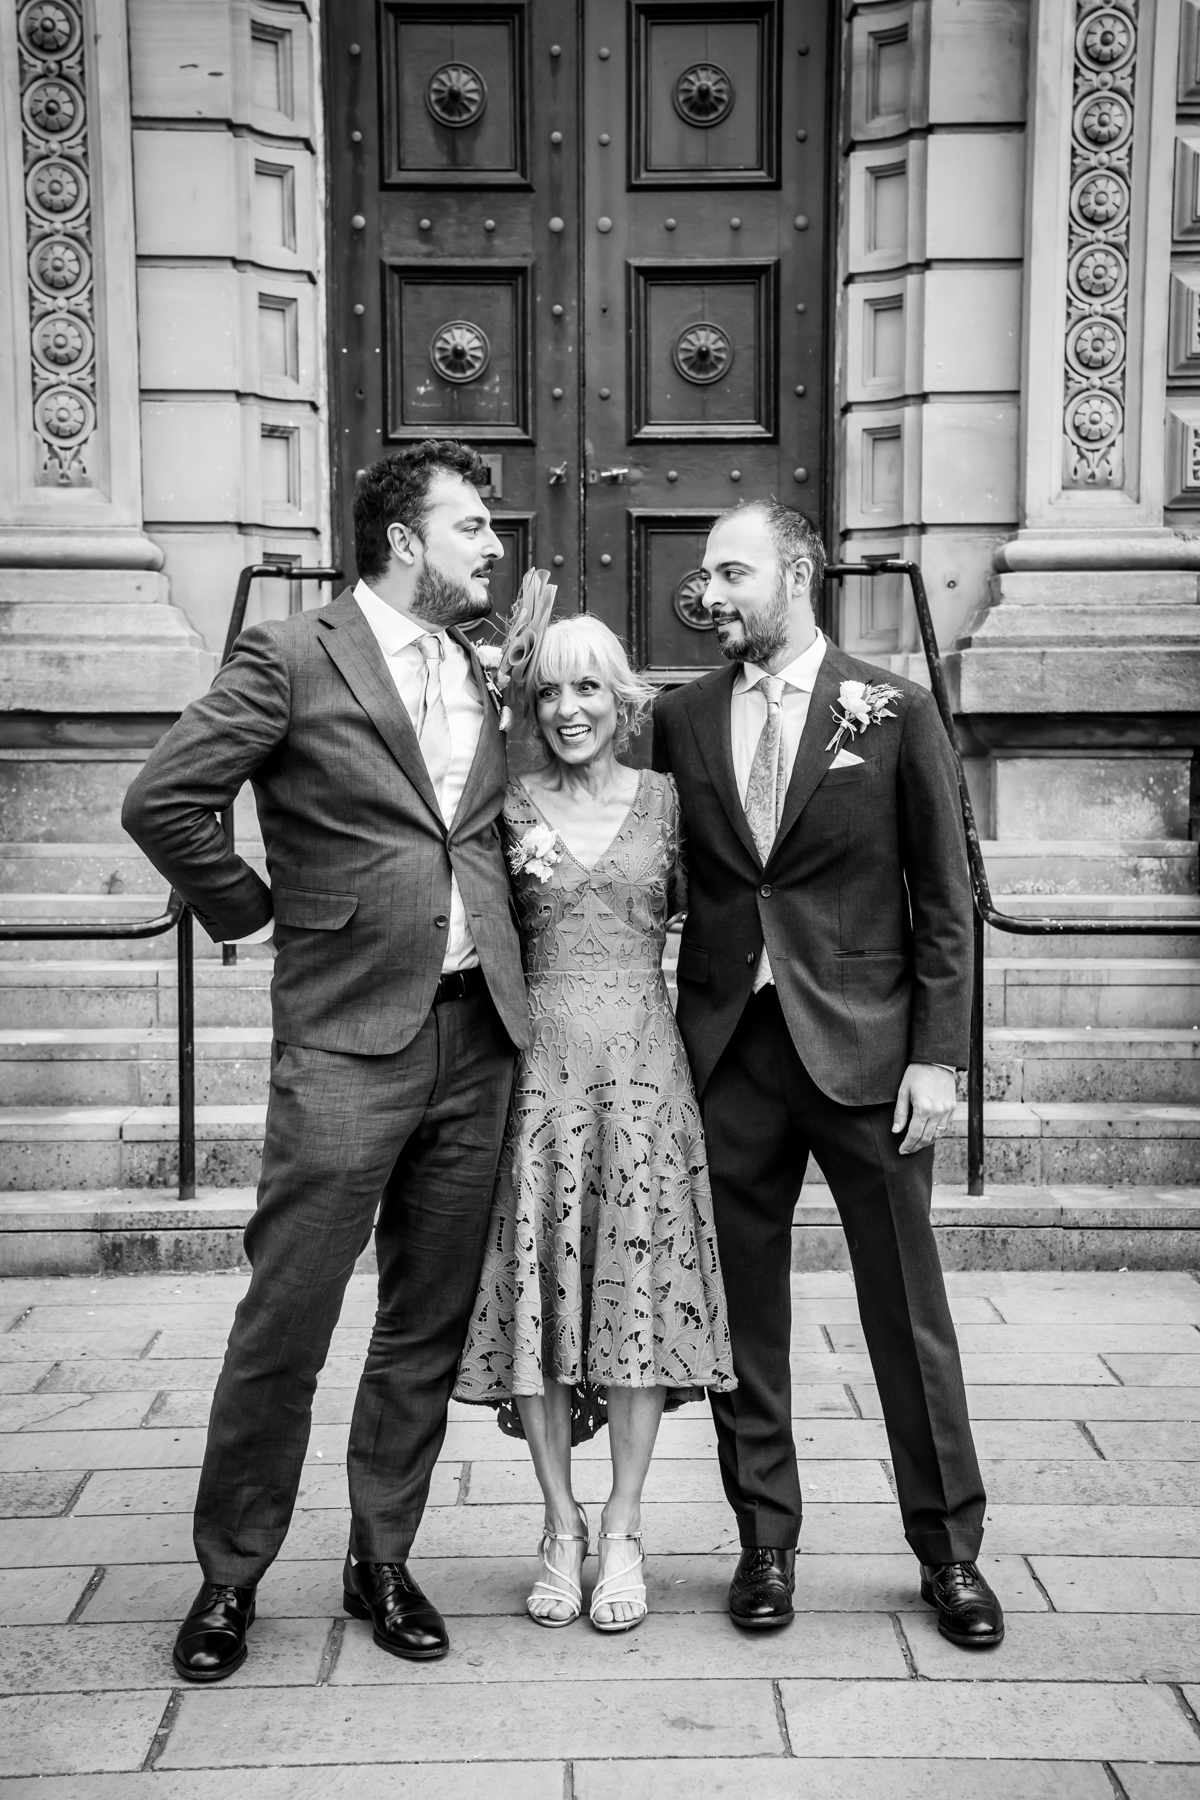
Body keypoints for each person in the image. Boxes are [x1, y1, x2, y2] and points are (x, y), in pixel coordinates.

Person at [122, 440, 530, 1680]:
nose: (493, 544)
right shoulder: (293, 653)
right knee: (287, 1319)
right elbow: (165, 798)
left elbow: (473, 830)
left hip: (478, 1035)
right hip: (347, 1040)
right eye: (471, 526)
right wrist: (253, 911)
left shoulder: (478, 662)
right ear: (405, 540)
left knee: (424, 1321)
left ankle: (381, 1560)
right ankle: (230, 1575)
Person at [651, 499, 1004, 1649]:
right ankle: (765, 1541)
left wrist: (940, 1056)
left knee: (908, 1313)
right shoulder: (679, 718)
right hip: (727, 1059)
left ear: (797, 574)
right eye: (707, 574)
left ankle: (949, 1552)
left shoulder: (892, 709)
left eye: (732, 572)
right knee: (744, 1317)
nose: (709, 592)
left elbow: (946, 901)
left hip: (869, 1054)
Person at [454, 609, 734, 1634]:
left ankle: (622, 1526)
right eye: (548, 692)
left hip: (644, 1083)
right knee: (540, 1296)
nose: (568, 710)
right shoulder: (505, 805)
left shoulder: (668, 801)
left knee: (635, 1302)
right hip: (539, 1081)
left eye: (587, 689)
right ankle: (558, 1523)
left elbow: (728, 922)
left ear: (624, 700)